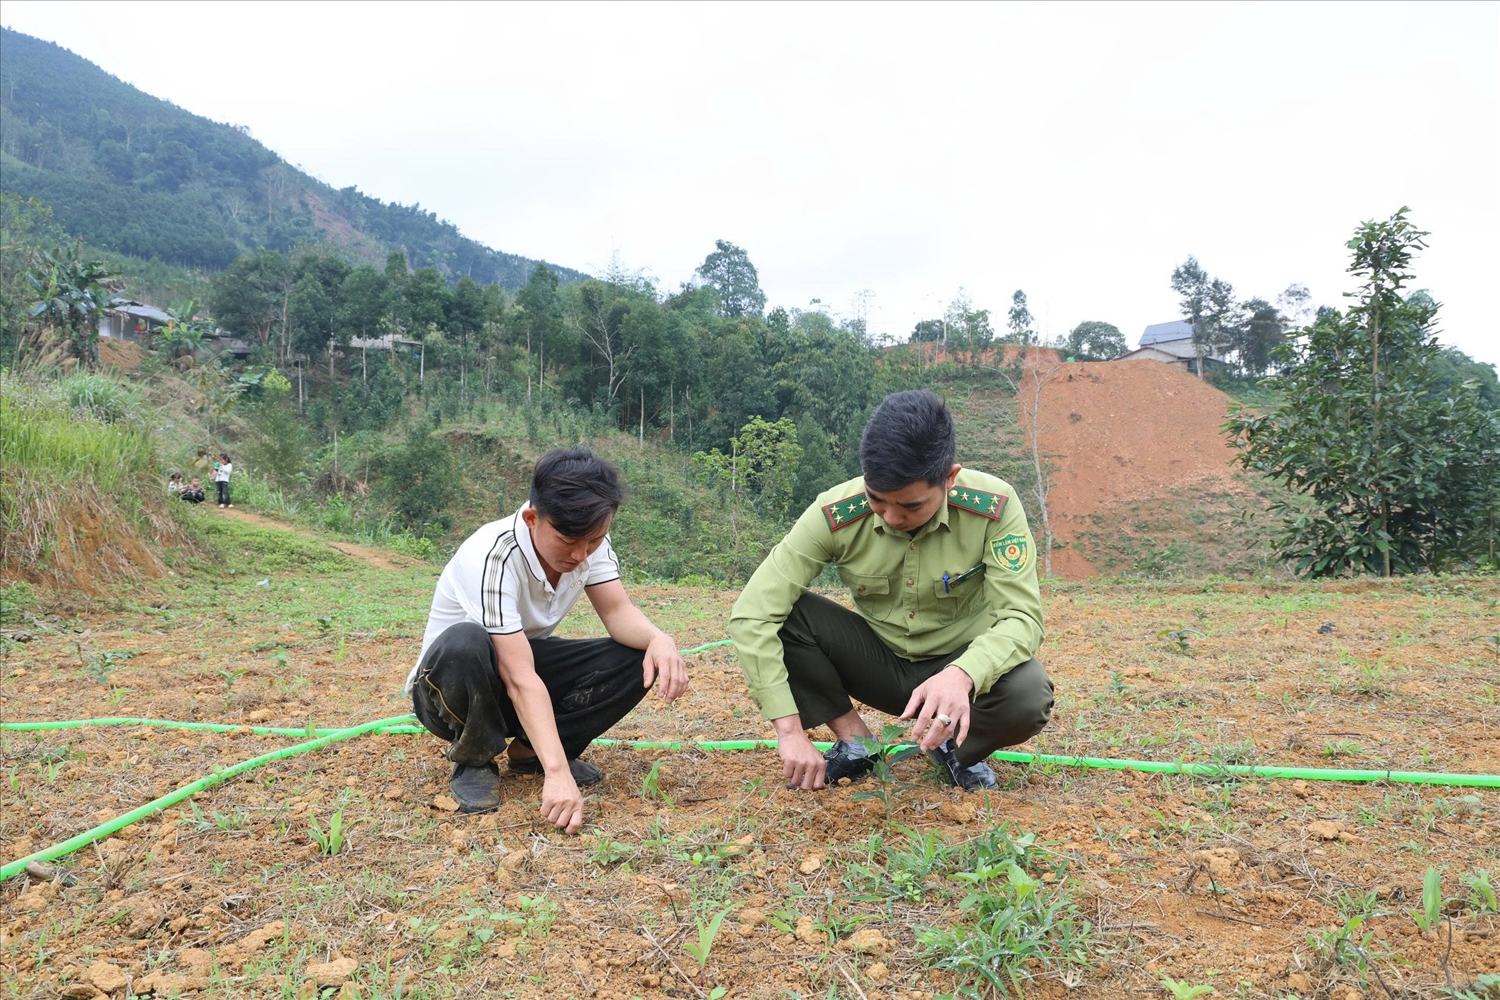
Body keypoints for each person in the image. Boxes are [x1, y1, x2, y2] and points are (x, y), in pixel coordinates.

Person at [729, 389, 1054, 793]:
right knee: (786, 617)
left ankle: (953, 746)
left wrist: (962, 674)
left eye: (912, 505)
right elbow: (752, 613)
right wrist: (789, 731)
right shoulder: (835, 514)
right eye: (877, 500)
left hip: (960, 664)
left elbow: (1022, 619)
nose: (893, 517)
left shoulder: (994, 507)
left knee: (1028, 694)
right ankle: (856, 742)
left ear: (949, 479)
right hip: (878, 662)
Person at [406, 445, 690, 831]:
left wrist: (660, 639)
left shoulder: (590, 544)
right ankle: (475, 756)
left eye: (593, 540)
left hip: (516, 665)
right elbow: (519, 677)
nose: (581, 555)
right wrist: (560, 775)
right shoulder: (493, 556)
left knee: (634, 657)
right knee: (466, 641)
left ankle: (529, 753)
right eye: (569, 541)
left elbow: (617, 612)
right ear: (532, 518)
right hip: (451, 688)